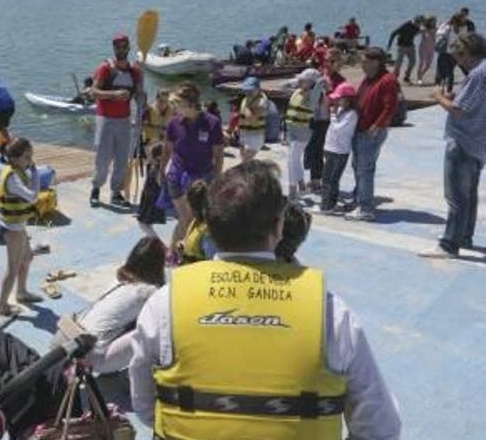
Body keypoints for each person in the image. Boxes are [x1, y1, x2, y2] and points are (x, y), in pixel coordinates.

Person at [129, 159, 402, 439]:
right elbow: (380, 427)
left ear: (208, 225)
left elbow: (145, 407)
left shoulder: (166, 304)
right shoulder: (331, 313)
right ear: (278, 227)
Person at [420, 33, 486, 259]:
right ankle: (464, 236)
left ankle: (449, 244)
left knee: (456, 196)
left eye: (459, 55)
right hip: (479, 143)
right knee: (469, 195)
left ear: (468, 53)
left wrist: (439, 96)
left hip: (463, 140)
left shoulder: (477, 75)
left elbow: (458, 110)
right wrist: (455, 95)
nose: (457, 60)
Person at [69, 236, 165, 374]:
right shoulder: (148, 291)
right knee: (155, 329)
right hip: (94, 359)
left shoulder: (119, 279)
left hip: (75, 345)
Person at [158, 82, 223, 262]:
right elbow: (167, 149)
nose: (174, 107)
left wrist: (218, 178)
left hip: (203, 178)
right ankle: (173, 252)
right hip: (177, 176)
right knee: (187, 216)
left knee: (197, 218)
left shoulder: (212, 123)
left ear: (191, 105)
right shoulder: (173, 123)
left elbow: (218, 154)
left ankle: (184, 250)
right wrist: (161, 169)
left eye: (178, 104)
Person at [89, 33, 145, 208]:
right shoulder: (105, 68)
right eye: (117, 46)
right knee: (103, 159)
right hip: (105, 119)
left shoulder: (135, 71)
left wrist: (141, 96)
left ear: (129, 47)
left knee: (122, 160)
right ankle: (96, 190)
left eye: (124, 46)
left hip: (124, 121)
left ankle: (116, 193)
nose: (121, 49)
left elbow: (139, 96)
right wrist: (113, 94)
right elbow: (93, 91)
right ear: (114, 48)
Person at [348, 47, 399, 222]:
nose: (361, 64)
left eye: (364, 60)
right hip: (360, 129)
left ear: (375, 62)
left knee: (365, 169)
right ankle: (360, 199)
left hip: (371, 132)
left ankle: (366, 208)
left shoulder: (387, 80)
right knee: (358, 167)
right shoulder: (369, 79)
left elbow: (390, 106)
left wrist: (377, 125)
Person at [0, 138, 43, 317]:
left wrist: (30, 170)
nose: (30, 161)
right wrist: (36, 173)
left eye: (31, 156)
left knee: (28, 257)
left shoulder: (17, 169)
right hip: (12, 228)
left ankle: (21, 292)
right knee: (13, 268)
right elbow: (32, 197)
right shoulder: (12, 177)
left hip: (18, 224)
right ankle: (2, 305)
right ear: (14, 158)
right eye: (26, 157)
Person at [305, 48, 344, 192]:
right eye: (325, 60)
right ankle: (315, 179)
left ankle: (321, 180)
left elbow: (339, 102)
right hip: (313, 116)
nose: (327, 63)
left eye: (332, 61)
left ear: (339, 63)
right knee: (311, 149)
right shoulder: (319, 74)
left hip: (326, 119)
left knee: (321, 150)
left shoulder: (340, 81)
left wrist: (328, 90)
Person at [320, 82, 359, 214]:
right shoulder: (341, 110)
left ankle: (327, 206)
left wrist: (333, 114)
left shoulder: (352, 114)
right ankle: (328, 204)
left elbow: (338, 129)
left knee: (331, 179)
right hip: (330, 148)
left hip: (340, 151)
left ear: (348, 99)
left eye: (339, 98)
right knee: (326, 177)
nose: (336, 101)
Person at [285, 68, 321, 199]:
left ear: (311, 83)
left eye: (303, 79)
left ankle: (292, 190)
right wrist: (298, 80)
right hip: (291, 130)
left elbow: (320, 85)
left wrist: (316, 83)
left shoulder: (312, 97)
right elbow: (283, 86)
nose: (300, 81)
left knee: (291, 160)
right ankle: (302, 186)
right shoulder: (298, 91)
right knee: (295, 160)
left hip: (302, 132)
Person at [178, 180, 214, 265]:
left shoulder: (207, 232)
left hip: (199, 275)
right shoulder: (195, 222)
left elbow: (211, 261)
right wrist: (183, 245)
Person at [136, 142, 166, 236]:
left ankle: (155, 241)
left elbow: (159, 183)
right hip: (150, 197)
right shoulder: (154, 165)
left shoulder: (157, 167)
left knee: (143, 224)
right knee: (146, 224)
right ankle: (152, 240)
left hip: (151, 199)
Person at [238, 76, 269, 162]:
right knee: (244, 160)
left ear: (258, 89)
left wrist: (247, 105)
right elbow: (241, 117)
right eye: (247, 90)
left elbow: (251, 119)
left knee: (245, 161)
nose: (248, 92)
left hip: (255, 136)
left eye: (251, 90)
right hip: (244, 134)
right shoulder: (245, 99)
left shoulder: (261, 102)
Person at [388, 16, 423, 83]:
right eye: (418, 23)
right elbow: (393, 33)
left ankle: (407, 76)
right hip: (401, 46)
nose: (419, 25)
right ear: (415, 21)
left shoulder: (418, 27)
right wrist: (389, 45)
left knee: (412, 62)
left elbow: (417, 32)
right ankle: (394, 78)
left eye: (420, 24)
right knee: (398, 63)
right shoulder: (406, 25)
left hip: (410, 46)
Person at [436, 14, 464, 91]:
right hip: (455, 53)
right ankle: (449, 90)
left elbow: (438, 33)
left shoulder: (448, 28)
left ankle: (441, 88)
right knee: (450, 72)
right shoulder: (461, 29)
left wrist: (445, 23)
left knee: (441, 71)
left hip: (445, 52)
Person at [416, 15, 438, 85]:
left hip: (432, 48)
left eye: (435, 21)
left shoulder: (435, 28)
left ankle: (420, 75)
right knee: (421, 63)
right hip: (423, 47)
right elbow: (419, 31)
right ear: (429, 21)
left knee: (428, 65)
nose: (434, 22)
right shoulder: (424, 28)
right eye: (433, 21)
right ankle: (419, 79)